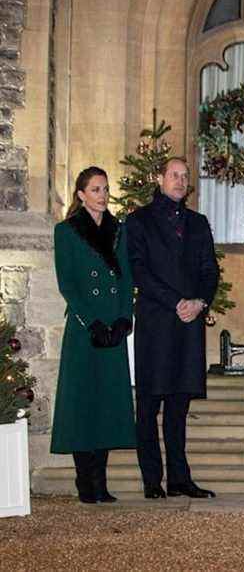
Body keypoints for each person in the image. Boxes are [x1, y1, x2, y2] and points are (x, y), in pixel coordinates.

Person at [126, 157, 220, 500]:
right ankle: (152, 480)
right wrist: (176, 302)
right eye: (174, 175)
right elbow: (137, 270)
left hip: (189, 326)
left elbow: (211, 271)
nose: (180, 181)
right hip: (156, 323)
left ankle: (180, 479)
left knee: (179, 407)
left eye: (185, 176)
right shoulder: (138, 221)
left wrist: (199, 303)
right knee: (149, 406)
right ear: (159, 178)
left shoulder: (198, 223)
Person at [50, 166, 137, 503]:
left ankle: (101, 482)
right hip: (85, 331)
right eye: (96, 189)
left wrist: (123, 318)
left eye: (105, 189)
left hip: (112, 329)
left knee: (107, 404)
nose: (103, 195)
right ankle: (84, 481)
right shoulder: (66, 231)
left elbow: (127, 278)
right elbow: (67, 284)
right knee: (82, 403)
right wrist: (93, 321)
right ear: (81, 194)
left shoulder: (119, 231)